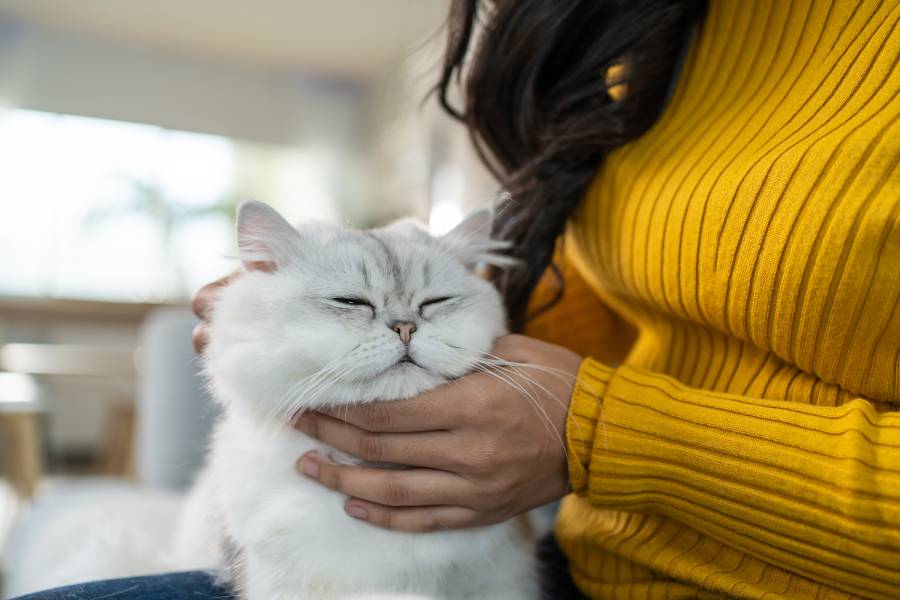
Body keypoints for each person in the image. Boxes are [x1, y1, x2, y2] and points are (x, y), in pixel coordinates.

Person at [19, 0, 900, 598]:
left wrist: (602, 432)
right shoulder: (644, 35)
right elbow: (609, 312)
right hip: (591, 566)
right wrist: (291, 307)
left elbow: (584, 404)